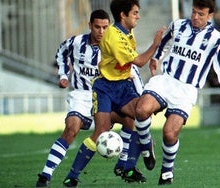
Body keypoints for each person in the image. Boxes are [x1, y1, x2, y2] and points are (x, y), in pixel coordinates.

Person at [62, 0, 165, 186]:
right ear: (122, 15)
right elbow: (139, 61)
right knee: (101, 132)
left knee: (139, 116)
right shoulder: (113, 36)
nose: (138, 16)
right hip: (105, 88)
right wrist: (155, 45)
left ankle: (130, 165)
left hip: (124, 87)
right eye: (134, 13)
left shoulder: (127, 32)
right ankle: (73, 176)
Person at [36, 9, 144, 187]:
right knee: (71, 128)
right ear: (90, 26)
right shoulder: (76, 42)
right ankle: (45, 176)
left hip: (106, 96)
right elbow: (61, 52)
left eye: (105, 27)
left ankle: (123, 164)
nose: (101, 31)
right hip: (82, 95)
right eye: (97, 27)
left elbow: (133, 70)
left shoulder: (115, 43)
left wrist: (141, 98)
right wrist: (63, 75)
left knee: (129, 118)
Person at [134, 0, 220, 185]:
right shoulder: (178, 25)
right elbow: (165, 41)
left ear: (210, 16)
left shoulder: (216, 39)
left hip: (186, 90)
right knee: (141, 110)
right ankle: (146, 144)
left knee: (169, 133)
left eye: (201, 14)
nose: (195, 17)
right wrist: (157, 57)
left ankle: (167, 170)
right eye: (194, 12)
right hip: (166, 80)